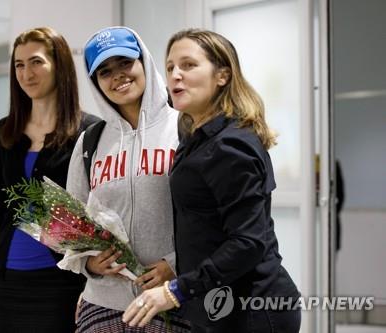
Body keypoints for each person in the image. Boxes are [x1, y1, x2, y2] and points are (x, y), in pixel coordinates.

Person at [123, 29, 301, 332]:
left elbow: (248, 242)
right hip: (219, 304)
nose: (175, 75)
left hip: (254, 309)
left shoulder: (230, 145)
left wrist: (175, 290)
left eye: (188, 65)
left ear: (222, 76)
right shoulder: (196, 136)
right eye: (169, 67)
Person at [66, 26, 190, 332]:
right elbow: (71, 219)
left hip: (170, 300)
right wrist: (89, 264)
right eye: (105, 71)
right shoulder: (90, 142)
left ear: (143, 61)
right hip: (103, 305)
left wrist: (177, 265)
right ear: (96, 82)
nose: (118, 75)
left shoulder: (185, 127)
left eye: (125, 63)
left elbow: (209, 215)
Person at [0, 27, 98, 332]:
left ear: (59, 66)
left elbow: (94, 212)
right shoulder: (6, 131)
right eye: (19, 65)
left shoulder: (89, 131)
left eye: (36, 62)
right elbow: (0, 208)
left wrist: (92, 287)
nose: (26, 73)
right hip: (8, 280)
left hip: (60, 282)